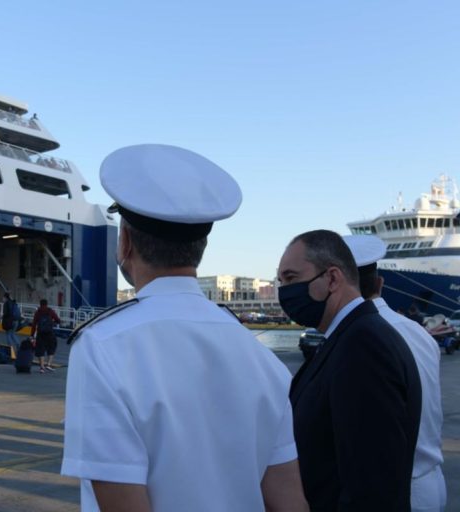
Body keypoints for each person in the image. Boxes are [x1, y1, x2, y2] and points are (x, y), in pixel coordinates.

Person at [61, 144, 307, 511]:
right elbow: (289, 503)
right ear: (201, 246)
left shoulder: (103, 347)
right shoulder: (262, 359)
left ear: (125, 242)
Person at [278, 229, 422, 510]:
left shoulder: (363, 345)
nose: (284, 291)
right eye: (280, 280)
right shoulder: (352, 335)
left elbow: (373, 485)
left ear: (332, 278)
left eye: (291, 278)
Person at [344, 235, 446, 511]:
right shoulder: (419, 332)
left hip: (394, 489)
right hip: (427, 481)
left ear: (332, 282)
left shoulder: (361, 336)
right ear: (380, 283)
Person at [31, 299, 60, 373]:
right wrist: (52, 322)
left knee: (40, 349)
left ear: (40, 304)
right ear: (47, 304)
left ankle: (42, 367)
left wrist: (32, 335)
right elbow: (58, 320)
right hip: (50, 333)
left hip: (40, 333)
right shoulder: (50, 311)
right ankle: (49, 364)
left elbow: (34, 324)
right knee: (52, 347)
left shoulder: (38, 312)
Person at [1, 293, 20, 358]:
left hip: (10, 321)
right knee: (13, 334)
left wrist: (2, 317)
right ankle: (18, 347)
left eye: (3, 298)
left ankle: (12, 352)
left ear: (5, 298)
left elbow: (6, 313)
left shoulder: (6, 303)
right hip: (16, 321)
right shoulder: (14, 302)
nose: (2, 299)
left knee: (8, 334)